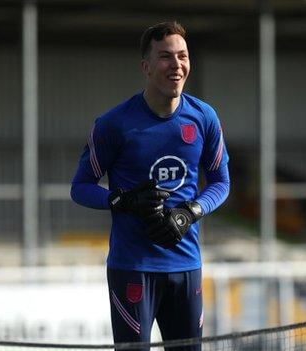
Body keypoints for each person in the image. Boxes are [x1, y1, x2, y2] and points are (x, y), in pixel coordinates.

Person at [70, 21, 230, 349]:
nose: (176, 65)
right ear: (146, 66)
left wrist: (189, 212)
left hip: (186, 267)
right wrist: (123, 201)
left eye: (183, 56)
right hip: (132, 269)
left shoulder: (204, 118)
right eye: (165, 57)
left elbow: (220, 182)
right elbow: (81, 186)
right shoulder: (114, 124)